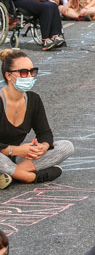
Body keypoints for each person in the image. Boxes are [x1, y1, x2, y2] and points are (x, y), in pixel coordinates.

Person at [0, 49, 74, 188]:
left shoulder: (33, 99)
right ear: (9, 76)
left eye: (32, 72)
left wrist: (42, 147)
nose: (29, 76)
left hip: (13, 160)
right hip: (3, 155)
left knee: (66, 146)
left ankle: (12, 174)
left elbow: (45, 133)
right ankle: (30, 177)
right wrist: (16, 150)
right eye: (23, 72)